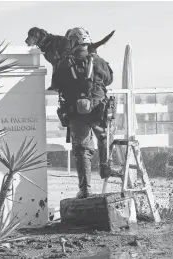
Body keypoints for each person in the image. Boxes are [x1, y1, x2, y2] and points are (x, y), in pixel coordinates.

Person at [53, 27, 116, 198]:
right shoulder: (99, 61)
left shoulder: (64, 63)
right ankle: (105, 167)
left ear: (72, 43)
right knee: (105, 137)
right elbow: (109, 79)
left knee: (82, 151)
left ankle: (85, 189)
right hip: (99, 111)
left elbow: (56, 84)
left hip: (76, 113)